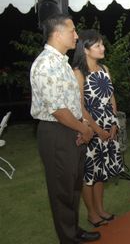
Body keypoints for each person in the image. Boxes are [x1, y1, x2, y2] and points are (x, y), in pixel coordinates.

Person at [30, 14, 100, 243]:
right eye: (72, 31)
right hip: (57, 132)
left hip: (71, 128)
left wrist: (82, 127)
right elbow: (58, 110)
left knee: (72, 186)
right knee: (62, 189)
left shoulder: (60, 61)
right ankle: (68, 238)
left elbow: (70, 102)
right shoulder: (46, 64)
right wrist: (85, 128)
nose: (77, 35)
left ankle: (73, 229)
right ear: (58, 34)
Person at [72, 29, 124, 228]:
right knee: (89, 174)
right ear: (85, 49)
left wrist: (112, 123)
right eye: (98, 45)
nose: (103, 48)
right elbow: (80, 106)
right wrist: (97, 129)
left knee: (101, 171)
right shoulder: (78, 72)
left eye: (102, 44)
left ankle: (101, 209)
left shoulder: (104, 68)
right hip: (89, 130)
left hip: (108, 127)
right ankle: (92, 214)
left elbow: (111, 97)